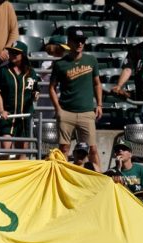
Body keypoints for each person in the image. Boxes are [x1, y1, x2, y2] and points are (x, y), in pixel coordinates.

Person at [49, 27, 102, 169]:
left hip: (86, 111)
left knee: (92, 149)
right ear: (69, 42)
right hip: (66, 111)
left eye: (82, 41)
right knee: (64, 149)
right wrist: (58, 109)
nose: (80, 44)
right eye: (76, 41)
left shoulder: (91, 60)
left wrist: (99, 105)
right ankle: (62, 180)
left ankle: (100, 179)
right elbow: (51, 88)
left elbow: (97, 84)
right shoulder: (60, 64)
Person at [0, 41, 39, 155]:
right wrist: (1, 110)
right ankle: (3, 172)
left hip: (24, 116)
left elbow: (36, 89)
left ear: (23, 55)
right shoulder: (2, 71)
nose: (12, 55)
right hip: (8, 115)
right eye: (10, 52)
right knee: (5, 147)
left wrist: (36, 95)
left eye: (15, 53)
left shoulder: (31, 72)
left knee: (22, 151)